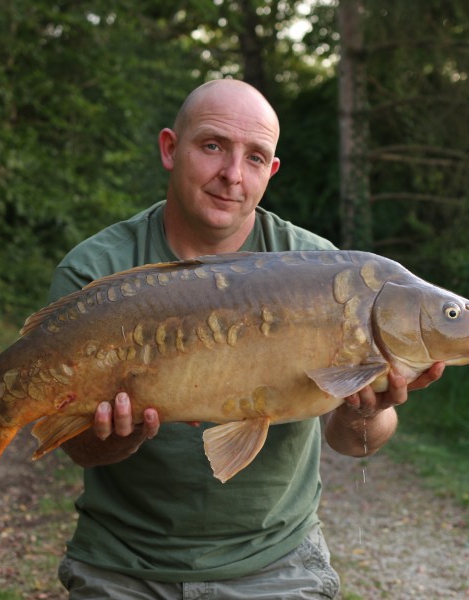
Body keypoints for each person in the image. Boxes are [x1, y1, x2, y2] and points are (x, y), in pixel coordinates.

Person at [47, 79, 444, 599]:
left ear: (270, 171)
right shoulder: (98, 272)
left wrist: (366, 410)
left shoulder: (323, 270)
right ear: (170, 148)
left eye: (255, 157)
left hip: (276, 564)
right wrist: (116, 436)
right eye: (213, 146)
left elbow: (352, 442)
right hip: (124, 562)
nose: (232, 175)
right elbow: (74, 446)